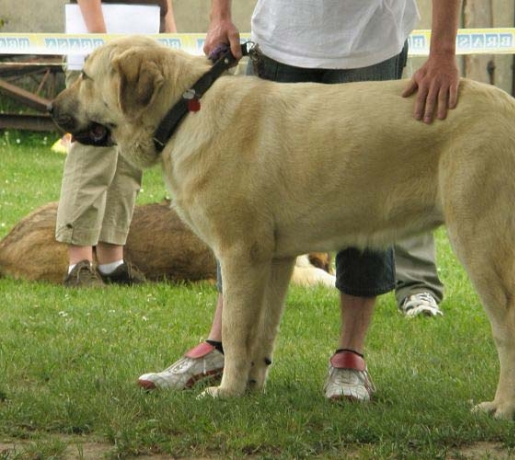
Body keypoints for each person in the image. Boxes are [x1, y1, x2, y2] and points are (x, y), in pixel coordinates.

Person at [138, 0, 460, 401]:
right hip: (280, 43)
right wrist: (218, 16)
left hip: (370, 44)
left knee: (369, 200)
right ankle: (224, 351)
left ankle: (349, 357)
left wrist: (443, 51)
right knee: (238, 214)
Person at [56, 0, 177, 287]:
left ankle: (112, 263)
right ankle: (79, 264)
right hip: (100, 58)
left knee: (127, 162)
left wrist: (172, 40)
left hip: (135, 62)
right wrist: (104, 48)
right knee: (92, 156)